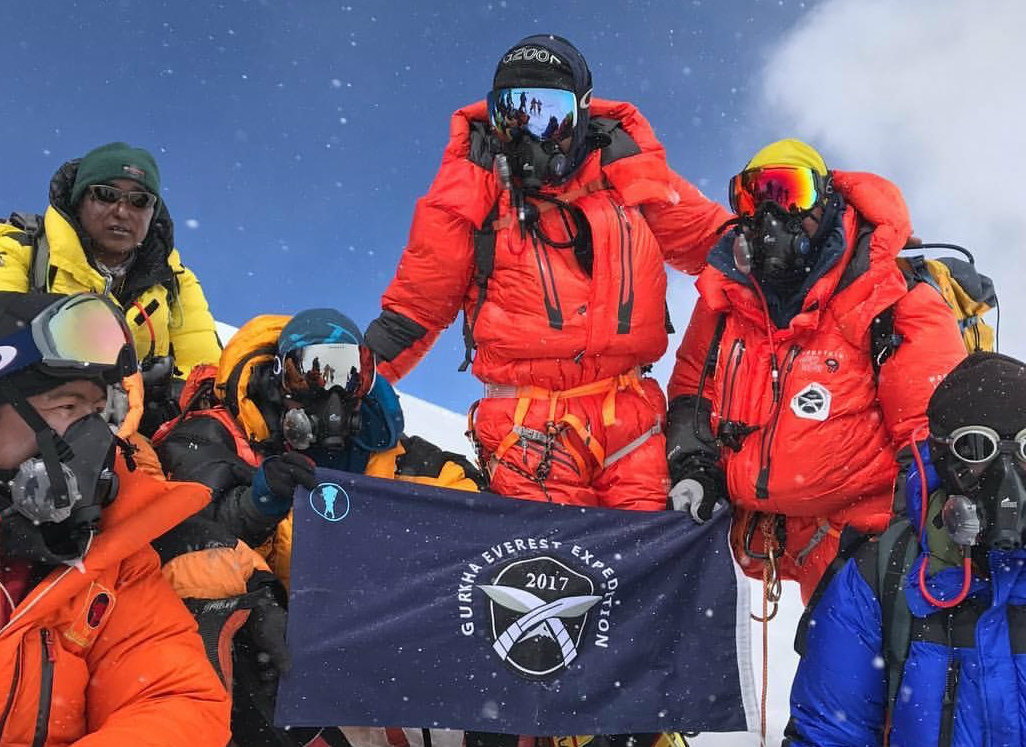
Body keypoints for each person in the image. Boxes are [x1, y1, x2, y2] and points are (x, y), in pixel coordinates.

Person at [364, 33, 731, 510]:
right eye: (511, 114)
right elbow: (414, 311)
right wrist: (344, 381)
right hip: (526, 429)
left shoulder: (629, 174)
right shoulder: (470, 191)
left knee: (651, 568)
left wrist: (830, 238)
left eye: (547, 113)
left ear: (581, 111)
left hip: (634, 423)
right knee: (547, 574)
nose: (527, 133)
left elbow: (722, 248)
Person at [152, 307, 484, 747]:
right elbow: (186, 533)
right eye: (308, 373)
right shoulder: (217, 437)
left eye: (350, 376)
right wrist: (258, 504)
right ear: (277, 378)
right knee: (233, 625)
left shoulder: (397, 456)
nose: (329, 394)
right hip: (279, 654)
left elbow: (479, 522)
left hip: (372, 648)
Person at [666, 138, 967, 602]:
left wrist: (922, 541)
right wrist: (695, 466)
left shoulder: (889, 294)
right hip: (766, 535)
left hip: (864, 544)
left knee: (850, 670)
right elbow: (692, 388)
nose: (771, 214)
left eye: (790, 192)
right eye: (754, 196)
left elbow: (930, 429)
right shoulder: (726, 295)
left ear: (827, 202)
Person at [0, 290, 230, 746]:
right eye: (66, 407)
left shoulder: (108, 554)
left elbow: (176, 700)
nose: (92, 440)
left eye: (97, 413)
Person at [785, 352, 1026, 747]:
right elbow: (828, 734)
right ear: (943, 456)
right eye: (976, 448)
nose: (1007, 478)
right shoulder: (884, 574)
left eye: (1024, 449)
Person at [0, 141, 222, 435]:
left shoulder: (173, 282)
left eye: (139, 200)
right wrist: (107, 378)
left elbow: (208, 377)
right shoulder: (15, 251)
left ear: (152, 212)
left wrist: (165, 396)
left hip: (134, 443)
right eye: (105, 195)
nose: (121, 210)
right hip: (22, 432)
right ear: (79, 201)